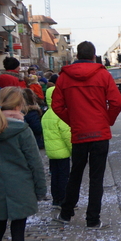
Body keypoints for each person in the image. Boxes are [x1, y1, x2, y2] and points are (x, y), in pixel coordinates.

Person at [52, 41, 121, 229]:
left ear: (77, 55)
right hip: (99, 134)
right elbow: (116, 102)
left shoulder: (64, 77)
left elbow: (57, 106)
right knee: (96, 178)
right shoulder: (102, 74)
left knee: (75, 174)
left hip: (79, 134)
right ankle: (93, 220)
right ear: (94, 56)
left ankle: (66, 213)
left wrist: (73, 121)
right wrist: (106, 120)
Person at [0, 86, 47, 241]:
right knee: (18, 233)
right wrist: (40, 190)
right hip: (20, 187)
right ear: (19, 106)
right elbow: (35, 163)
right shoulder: (22, 130)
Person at [42, 75, 72, 209]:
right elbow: (67, 135)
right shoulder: (61, 113)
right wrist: (74, 150)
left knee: (55, 176)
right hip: (62, 152)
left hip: (51, 152)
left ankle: (56, 199)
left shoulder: (46, 114)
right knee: (64, 177)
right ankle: (64, 199)